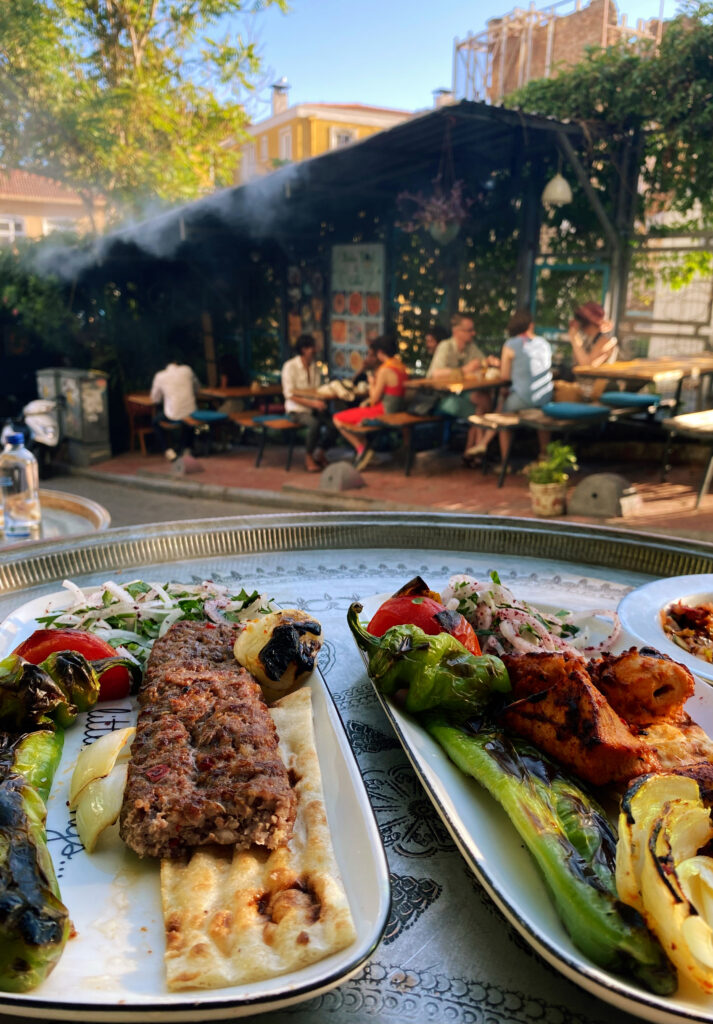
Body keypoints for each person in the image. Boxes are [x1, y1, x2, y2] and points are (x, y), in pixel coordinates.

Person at [469, 310, 553, 467]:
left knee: (502, 415)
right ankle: (544, 456)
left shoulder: (510, 344)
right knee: (539, 415)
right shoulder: (544, 344)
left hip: (523, 398)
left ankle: (502, 462)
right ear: (531, 325)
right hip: (546, 396)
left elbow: (505, 376)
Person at [333, 334, 409, 470]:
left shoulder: (385, 370)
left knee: (337, 418)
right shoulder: (401, 367)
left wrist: (372, 383)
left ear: (380, 352)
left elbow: (374, 399)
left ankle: (362, 449)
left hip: (384, 412)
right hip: (397, 409)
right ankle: (367, 451)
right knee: (356, 416)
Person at [428, 312, 500, 455]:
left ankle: (474, 451)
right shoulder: (446, 346)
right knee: (481, 410)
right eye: (469, 330)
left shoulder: (470, 347)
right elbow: (436, 374)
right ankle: (476, 449)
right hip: (440, 397)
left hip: (460, 392)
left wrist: (489, 362)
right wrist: (464, 370)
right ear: (456, 331)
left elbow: (482, 362)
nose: (473, 333)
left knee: (483, 399)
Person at [281, 333, 331, 473]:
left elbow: (317, 390)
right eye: (312, 348)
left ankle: (320, 453)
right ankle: (308, 456)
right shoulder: (290, 366)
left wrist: (319, 402)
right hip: (296, 410)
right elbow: (289, 394)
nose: (315, 351)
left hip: (314, 408)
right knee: (314, 424)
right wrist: (313, 404)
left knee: (334, 424)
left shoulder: (315, 367)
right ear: (304, 349)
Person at [150, 360, 202, 461]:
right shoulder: (187, 370)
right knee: (188, 420)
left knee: (155, 421)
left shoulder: (160, 376)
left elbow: (155, 399)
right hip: (191, 412)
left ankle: (168, 450)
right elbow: (197, 388)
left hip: (173, 414)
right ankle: (187, 448)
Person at [567, 301, 619, 369]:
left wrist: (574, 340)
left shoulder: (606, 341)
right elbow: (576, 361)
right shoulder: (588, 339)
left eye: (580, 320)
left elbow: (586, 366)